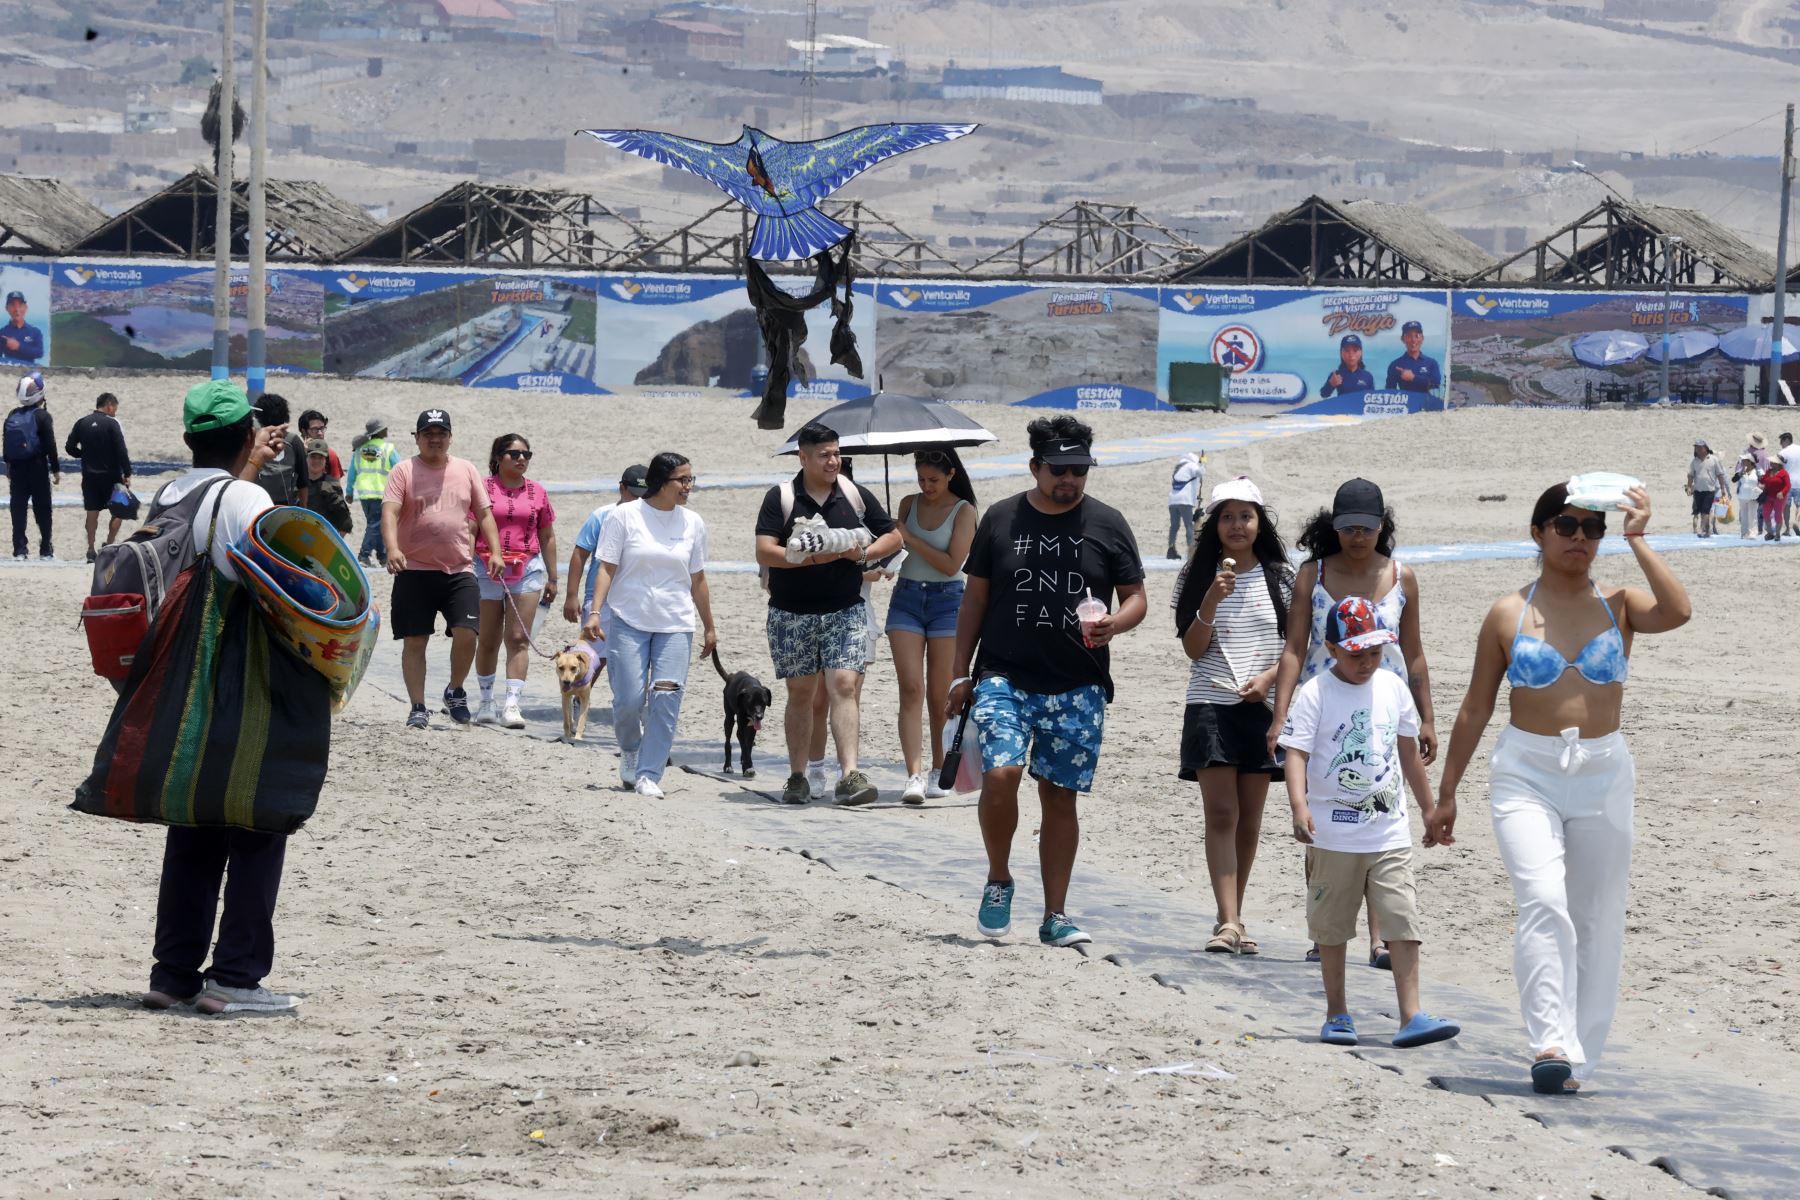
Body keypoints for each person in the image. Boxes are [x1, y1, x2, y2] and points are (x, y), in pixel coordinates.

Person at [1437, 482, 1690, 1094]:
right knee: (1544, 899)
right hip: (1526, 770)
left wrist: (1638, 538)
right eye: (1566, 525)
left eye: (1592, 528)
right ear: (1538, 532)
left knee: (1597, 917)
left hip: (1604, 770)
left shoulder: (1620, 603)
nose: (1580, 537)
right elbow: (1475, 707)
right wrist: (1445, 794)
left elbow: (1678, 611)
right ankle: (1548, 1041)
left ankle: (1578, 1059)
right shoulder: (1508, 612)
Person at [140, 379, 313, 1014]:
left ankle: (173, 974)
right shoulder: (246, 497)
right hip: (242, 677)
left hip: (176, 680)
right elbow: (295, 586)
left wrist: (249, 464)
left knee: (194, 823)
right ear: (245, 434)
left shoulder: (171, 490)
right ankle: (236, 979)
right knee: (259, 818)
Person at [948, 415, 1147, 948]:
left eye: (1080, 470)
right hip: (1003, 674)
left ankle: (1055, 914)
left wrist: (1115, 624)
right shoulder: (1000, 518)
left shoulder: (1107, 523)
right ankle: (999, 878)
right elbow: (975, 601)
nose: (1070, 480)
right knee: (1001, 774)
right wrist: (957, 674)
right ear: (1035, 466)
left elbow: (1136, 598)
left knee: (1060, 797)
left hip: (1078, 682)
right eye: (1059, 469)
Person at [1269, 477, 1437, 968]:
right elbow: (1295, 649)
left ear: (1382, 526)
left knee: (1381, 809)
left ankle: (1380, 939)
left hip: (1387, 707)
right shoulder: (1312, 574)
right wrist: (1280, 716)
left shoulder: (1402, 577)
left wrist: (1427, 718)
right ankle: (1326, 931)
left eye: (1366, 528)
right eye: (1347, 528)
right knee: (1324, 815)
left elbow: (1415, 653)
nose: (1357, 537)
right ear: (1334, 526)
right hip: (1325, 708)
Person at [1280, 597, 1460, 1049]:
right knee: (1332, 928)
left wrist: (1427, 807)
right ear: (1332, 648)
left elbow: (1406, 754)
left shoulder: (1394, 688)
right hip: (1333, 835)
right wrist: (1299, 806)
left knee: (1402, 921)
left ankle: (1411, 1015)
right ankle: (1337, 1012)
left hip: (1389, 832)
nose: (1366, 662)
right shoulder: (1316, 692)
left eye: (1375, 653)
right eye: (1356, 653)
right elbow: (1296, 753)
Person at [1172, 476, 1290, 956]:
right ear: (1213, 524)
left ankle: (1235, 917)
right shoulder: (1196, 574)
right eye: (1227, 516)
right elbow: (1192, 649)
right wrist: (1210, 601)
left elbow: (1298, 646)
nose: (1237, 525)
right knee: (1221, 813)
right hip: (1210, 705)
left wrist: (1268, 679)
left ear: (1260, 522)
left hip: (1261, 707)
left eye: (1246, 515)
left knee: (1250, 821)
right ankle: (1227, 920)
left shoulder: (1282, 575)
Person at [754, 422, 900, 807]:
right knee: (801, 693)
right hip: (791, 612)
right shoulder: (781, 497)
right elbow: (764, 552)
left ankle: (849, 774)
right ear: (803, 457)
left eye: (836, 453)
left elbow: (894, 536)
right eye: (825, 454)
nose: (833, 460)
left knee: (844, 686)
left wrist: (865, 554)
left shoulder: (853, 494)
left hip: (845, 609)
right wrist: (812, 556)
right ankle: (798, 776)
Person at [584, 452, 715, 798]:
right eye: (682, 480)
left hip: (676, 623)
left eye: (691, 479)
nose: (688, 486)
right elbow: (607, 567)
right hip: (629, 619)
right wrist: (595, 612)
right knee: (628, 699)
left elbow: (698, 578)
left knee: (666, 698)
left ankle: (648, 773)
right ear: (661, 482)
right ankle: (630, 748)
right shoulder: (625, 516)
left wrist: (709, 626)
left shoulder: (693, 523)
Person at [381, 408, 505, 730]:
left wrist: (495, 552)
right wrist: (393, 548)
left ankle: (454, 690)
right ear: (417, 437)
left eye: (441, 434)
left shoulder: (466, 469)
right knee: (415, 639)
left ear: (450, 437)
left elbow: (485, 514)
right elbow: (390, 513)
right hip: (414, 570)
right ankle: (418, 706)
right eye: (428, 434)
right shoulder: (403, 470)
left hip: (459, 569)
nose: (435, 440)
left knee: (467, 633)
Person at [887, 448, 978, 804]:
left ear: (951, 475)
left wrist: (909, 538)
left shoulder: (964, 510)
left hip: (948, 601)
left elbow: (952, 562)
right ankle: (914, 773)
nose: (927, 486)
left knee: (940, 695)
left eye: (934, 480)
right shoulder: (908, 504)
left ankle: (941, 766)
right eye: (921, 479)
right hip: (906, 598)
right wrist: (889, 549)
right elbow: (899, 552)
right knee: (910, 688)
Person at [473, 433, 558, 728]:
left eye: (526, 454)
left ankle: (511, 704)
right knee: (488, 638)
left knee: (519, 638)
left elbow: (547, 535)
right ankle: (486, 701)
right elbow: (470, 529)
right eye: (514, 453)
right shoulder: (481, 489)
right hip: (486, 568)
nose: (521, 459)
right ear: (498, 457)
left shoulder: (538, 492)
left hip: (527, 568)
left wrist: (553, 576)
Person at [565, 464, 649, 649]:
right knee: (593, 659)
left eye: (645, 495)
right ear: (622, 488)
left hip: (635, 599)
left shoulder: (652, 518)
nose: (639, 501)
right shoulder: (601, 515)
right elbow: (580, 554)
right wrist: (571, 595)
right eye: (635, 495)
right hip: (600, 599)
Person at [65, 391, 133, 563]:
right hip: (112, 474)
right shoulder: (112, 423)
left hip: (89, 475)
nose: (115, 412)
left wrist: (84, 455)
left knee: (92, 511)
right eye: (115, 408)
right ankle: (109, 545)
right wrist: (127, 472)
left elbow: (69, 447)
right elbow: (121, 449)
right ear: (109, 405)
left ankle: (90, 548)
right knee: (119, 510)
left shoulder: (82, 422)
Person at [4, 371, 58, 560]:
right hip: (37, 467)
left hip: (17, 468)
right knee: (43, 508)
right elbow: (51, 445)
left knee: (18, 509)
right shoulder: (43, 415)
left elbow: (6, 441)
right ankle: (45, 549)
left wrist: (8, 465)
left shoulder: (12, 414)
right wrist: (56, 469)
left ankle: (20, 549)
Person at [348, 417, 400, 567]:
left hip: (364, 494)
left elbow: (352, 472)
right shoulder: (388, 448)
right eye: (385, 428)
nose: (387, 430)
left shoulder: (360, 449)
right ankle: (364, 555)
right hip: (381, 492)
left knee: (376, 524)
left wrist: (349, 491)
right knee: (376, 525)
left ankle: (382, 556)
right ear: (381, 431)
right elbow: (400, 467)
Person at [252, 393, 308, 509]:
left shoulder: (254, 441)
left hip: (257, 505)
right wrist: (303, 510)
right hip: (286, 507)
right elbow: (303, 482)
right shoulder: (294, 441)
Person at [302, 439, 353, 534]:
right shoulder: (298, 483)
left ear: (326, 461)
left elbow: (345, 522)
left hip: (323, 538)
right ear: (306, 458)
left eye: (320, 457)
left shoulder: (332, 485)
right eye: (313, 456)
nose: (316, 461)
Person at [1383, 320, 1442, 394]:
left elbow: (1436, 384)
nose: (1413, 340)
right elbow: (1389, 392)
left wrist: (1413, 378)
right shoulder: (1395, 365)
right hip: (1406, 405)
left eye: (1417, 336)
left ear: (1422, 338)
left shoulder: (1431, 363)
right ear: (1403, 339)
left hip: (1426, 404)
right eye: (1409, 336)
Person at [1685, 437, 1726, 538]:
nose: (1697, 450)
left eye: (1699, 447)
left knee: (1705, 511)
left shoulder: (1713, 459)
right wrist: (1689, 487)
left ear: (1705, 448)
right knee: (1700, 512)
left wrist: (1723, 488)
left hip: (1710, 490)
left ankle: (1702, 529)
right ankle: (1707, 530)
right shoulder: (1694, 461)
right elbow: (1690, 475)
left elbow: (1720, 474)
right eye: (1696, 448)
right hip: (1698, 490)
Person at [1166, 451, 1203, 560]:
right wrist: (1203, 463)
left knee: (1174, 526)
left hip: (1172, 500)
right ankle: (1191, 551)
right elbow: (1201, 472)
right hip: (1185, 501)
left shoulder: (1178, 468)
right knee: (1189, 526)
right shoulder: (1192, 466)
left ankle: (1171, 549)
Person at [1318, 334, 1374, 399]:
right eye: (1347, 350)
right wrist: (1331, 384)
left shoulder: (1368, 376)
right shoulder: (1336, 375)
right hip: (1342, 409)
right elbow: (1323, 394)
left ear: (1361, 352)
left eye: (1355, 350)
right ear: (1341, 353)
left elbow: (1372, 400)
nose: (1351, 354)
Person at [298, 409, 344, 481]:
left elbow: (336, 486)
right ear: (304, 431)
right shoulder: (294, 454)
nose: (320, 433)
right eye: (314, 429)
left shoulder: (330, 455)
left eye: (322, 428)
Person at [0, 290, 43, 364]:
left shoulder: (35, 332)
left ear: (25, 308)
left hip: (28, 372)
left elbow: (39, 353)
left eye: (20, 305)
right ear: (7, 308)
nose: (17, 309)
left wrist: (18, 346)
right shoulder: (2, 332)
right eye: (13, 305)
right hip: (9, 372)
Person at [1758, 451, 1789, 543]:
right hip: (1768, 496)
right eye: (1771, 462)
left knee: (1778, 515)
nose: (1771, 463)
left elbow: (1788, 485)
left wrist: (1782, 492)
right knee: (1766, 514)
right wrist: (1761, 482)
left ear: (1778, 464)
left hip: (1779, 498)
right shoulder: (1768, 471)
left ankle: (1778, 534)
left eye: (1773, 462)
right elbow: (1763, 480)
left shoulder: (1784, 473)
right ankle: (1770, 533)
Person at [1732, 453, 1761, 539]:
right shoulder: (1741, 470)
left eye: (1744, 460)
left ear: (1750, 461)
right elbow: (1733, 480)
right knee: (1743, 516)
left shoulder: (1758, 471)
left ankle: (1752, 533)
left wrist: (1760, 489)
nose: (1742, 462)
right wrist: (1740, 473)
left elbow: (1763, 481)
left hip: (1753, 497)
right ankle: (1744, 533)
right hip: (1742, 496)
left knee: (1752, 515)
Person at [1780, 432, 1800, 536]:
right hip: (1799, 481)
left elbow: (1780, 468)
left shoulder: (1783, 452)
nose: (1781, 444)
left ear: (1786, 440)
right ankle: (1797, 521)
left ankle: (1787, 529)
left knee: (1786, 506)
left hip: (1787, 483)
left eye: (1781, 442)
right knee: (1799, 505)